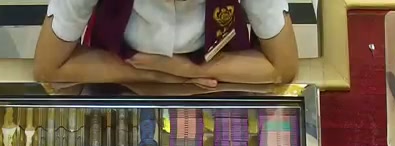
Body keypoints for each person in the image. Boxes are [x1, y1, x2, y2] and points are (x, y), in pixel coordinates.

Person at [33, 0, 299, 90]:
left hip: (219, 80)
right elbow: (48, 68)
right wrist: (156, 72)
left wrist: (189, 70)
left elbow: (283, 67)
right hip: (117, 77)